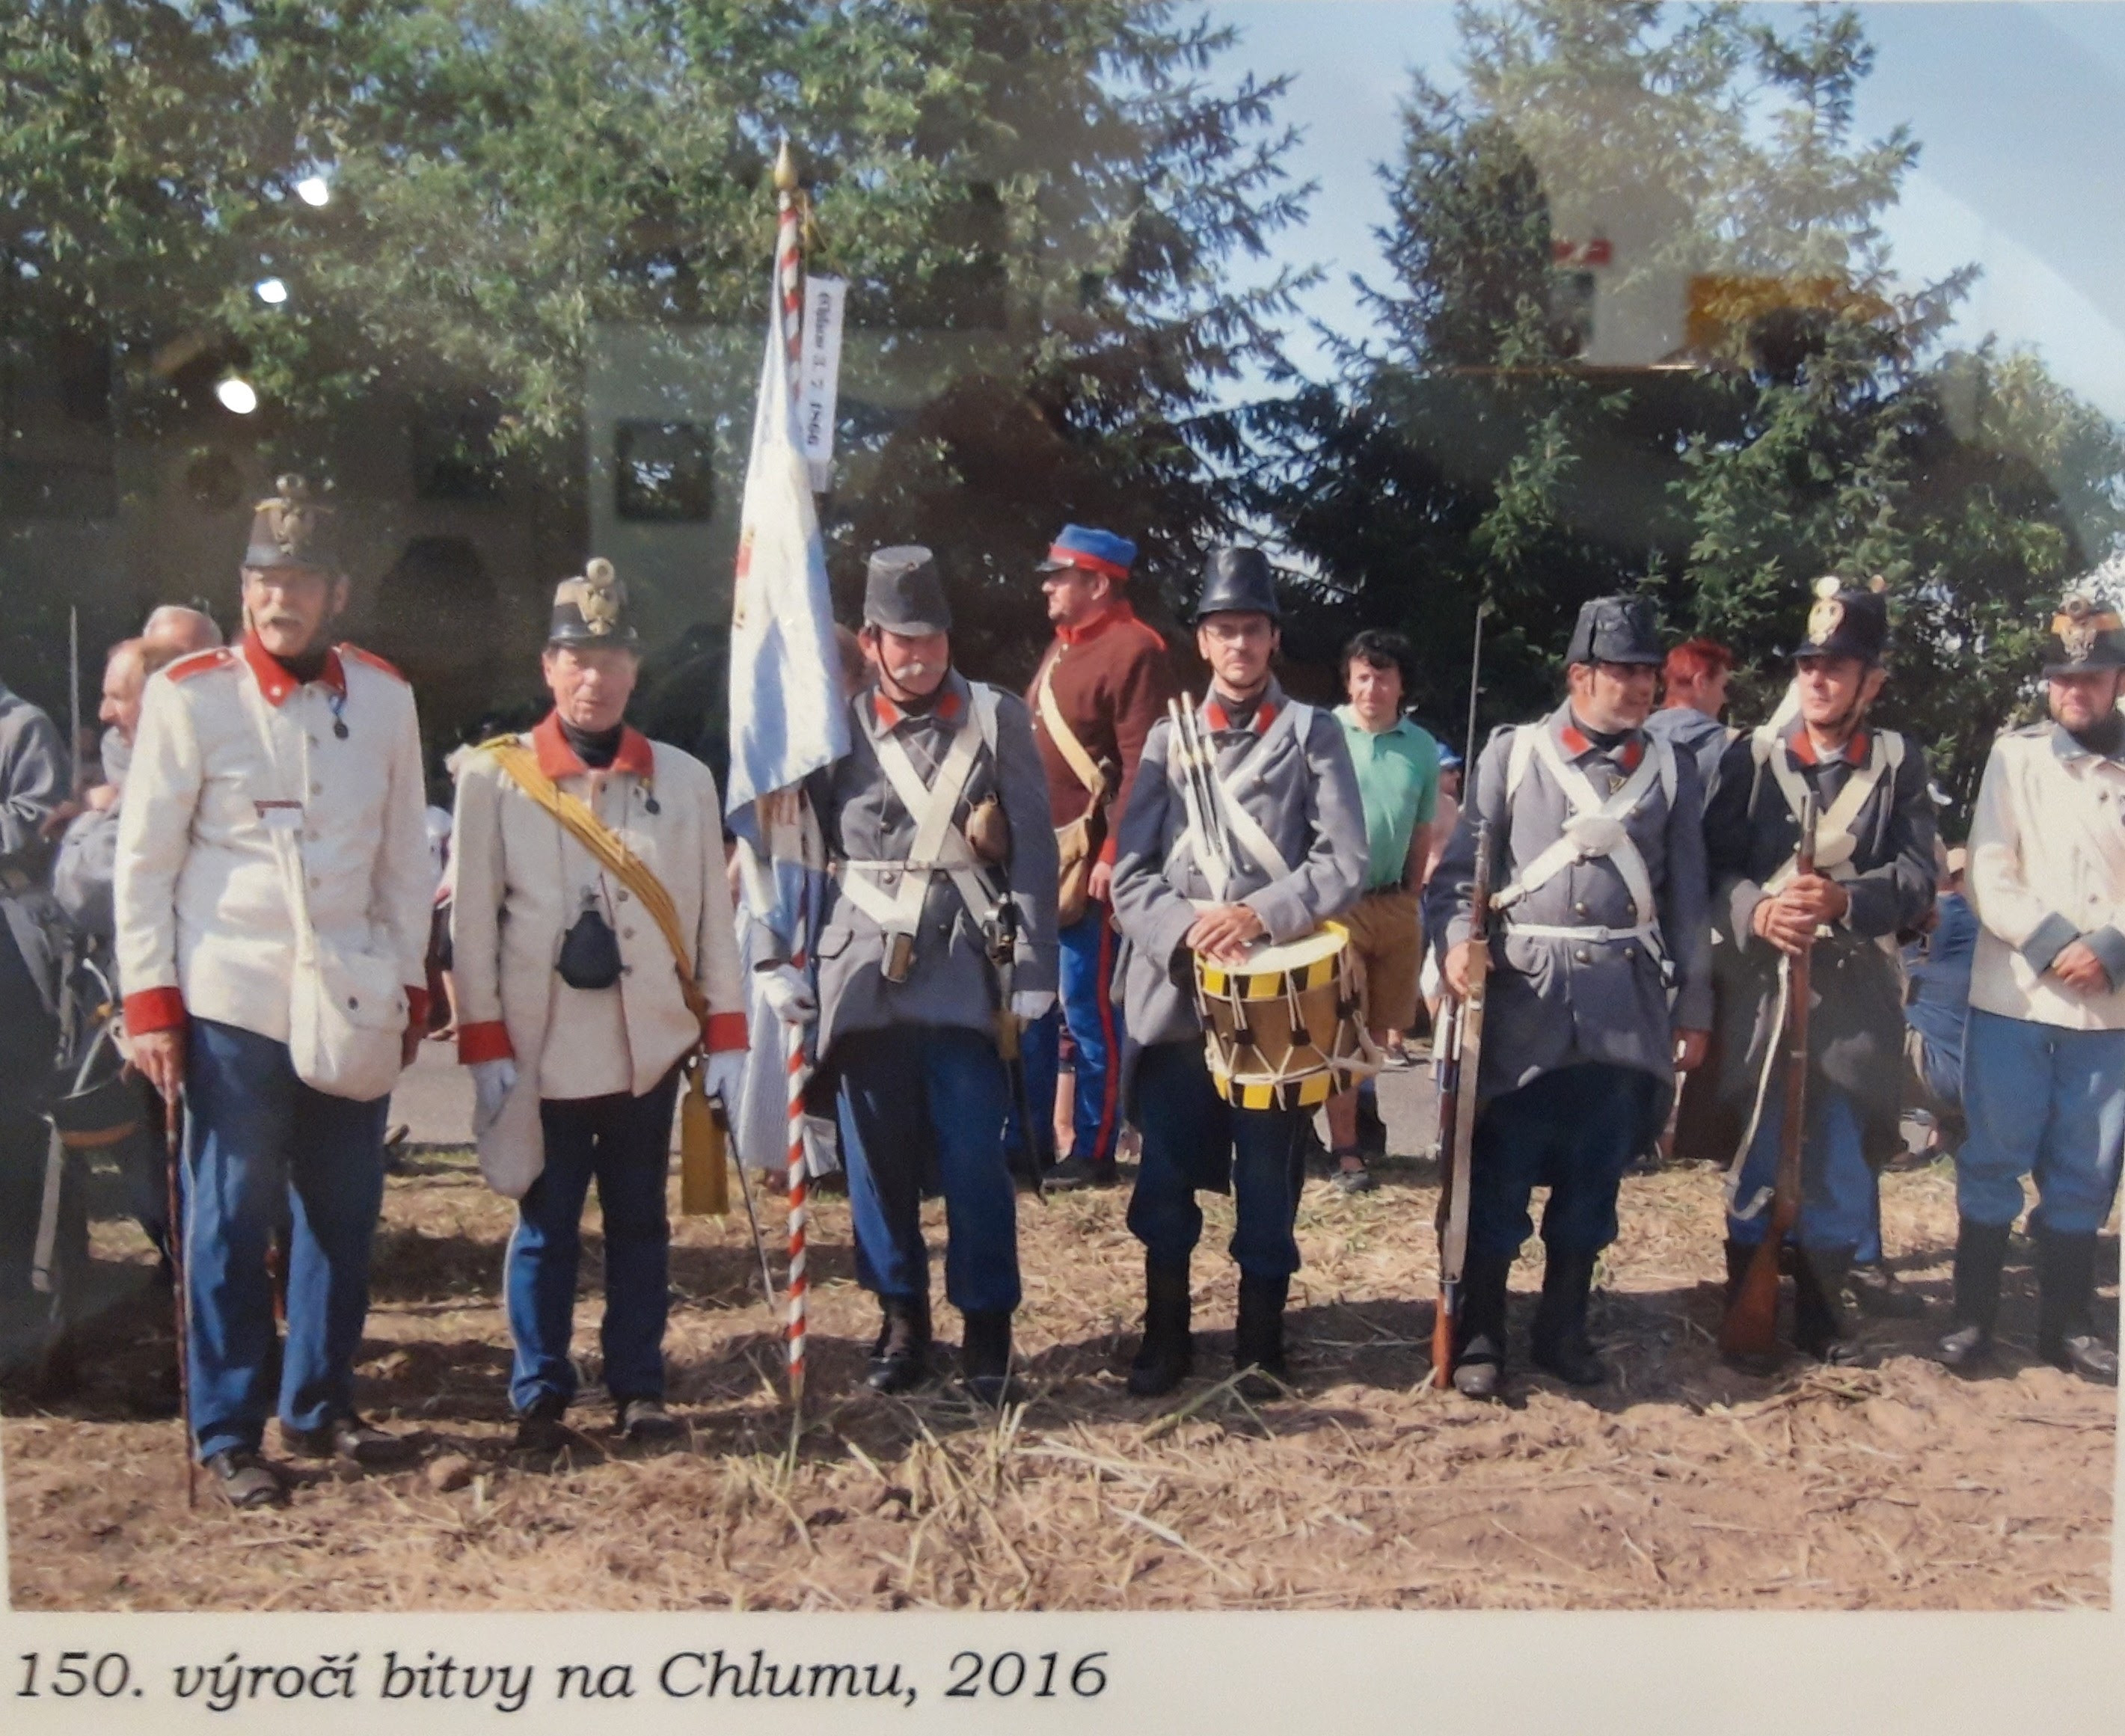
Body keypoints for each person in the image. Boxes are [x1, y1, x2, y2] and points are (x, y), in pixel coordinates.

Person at [114, 476, 434, 1508]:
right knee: (228, 1216)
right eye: (262, 578)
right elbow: (146, 863)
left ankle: (323, 1402)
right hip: (233, 995)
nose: (276, 597)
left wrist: (407, 978)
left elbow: (398, 857)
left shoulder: (384, 698)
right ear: (243, 588)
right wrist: (151, 1000)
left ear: (336, 592)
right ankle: (227, 1427)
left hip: (347, 995)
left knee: (343, 1212)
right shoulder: (191, 695)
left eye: (297, 579)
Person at [450, 559, 750, 1448]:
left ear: (634, 669)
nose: (595, 676)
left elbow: (711, 923)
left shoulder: (686, 781)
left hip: (644, 1045)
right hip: (541, 1047)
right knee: (544, 1225)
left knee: (639, 1225)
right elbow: (471, 926)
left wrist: (727, 1034)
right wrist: (484, 1041)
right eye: (577, 657)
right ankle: (539, 1387)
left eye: (612, 657)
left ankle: (638, 1384)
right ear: (549, 666)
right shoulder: (493, 780)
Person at [759, 546, 1058, 1403]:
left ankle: (988, 1326)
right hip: (861, 969)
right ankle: (901, 1318)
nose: (919, 656)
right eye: (901, 641)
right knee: (873, 1160)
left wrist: (1034, 965)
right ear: (874, 643)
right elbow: (793, 843)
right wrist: (778, 952)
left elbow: (1033, 846)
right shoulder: (833, 728)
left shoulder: (998, 718)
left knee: (974, 1160)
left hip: (965, 966)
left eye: (931, 639)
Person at [1426, 595, 1711, 1399]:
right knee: (1501, 1181)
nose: (1641, 685)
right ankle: (1482, 1328)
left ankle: (1564, 1327)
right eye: (1624, 670)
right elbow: (1457, 883)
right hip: (1526, 1004)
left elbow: (1687, 896)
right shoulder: (1513, 755)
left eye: (1650, 673)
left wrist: (1695, 1006)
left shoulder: (1670, 768)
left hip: (1623, 1005)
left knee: (1592, 1182)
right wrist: (1455, 946)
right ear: (1578, 674)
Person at [1109, 546, 1366, 1398]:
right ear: (1204, 641)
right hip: (1180, 992)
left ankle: (1261, 1340)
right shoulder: (1165, 738)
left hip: (1274, 995)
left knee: (1267, 1175)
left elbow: (1343, 860)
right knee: (1168, 1174)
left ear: (1273, 638)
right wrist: (1187, 930)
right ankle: (1166, 1333)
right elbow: (1132, 871)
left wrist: (1260, 915)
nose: (1239, 646)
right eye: (1223, 630)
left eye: (1252, 629)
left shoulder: (1314, 733)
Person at [1702, 577, 1936, 1367]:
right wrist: (1756, 912)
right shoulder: (1754, 759)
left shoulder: (1900, 763)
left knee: (1837, 1155)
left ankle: (1826, 1317)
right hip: (1765, 996)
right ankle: (1748, 1304)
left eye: (1838, 666)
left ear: (1874, 679)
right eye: (1809, 664)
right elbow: (1716, 867)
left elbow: (1916, 877)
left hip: (1853, 995)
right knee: (1761, 1153)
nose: (1818, 678)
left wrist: (1844, 897)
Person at [1940, 592, 2125, 1382]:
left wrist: (2113, 947)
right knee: (1993, 1157)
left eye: (2090, 678)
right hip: (2018, 995)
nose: (2073, 692)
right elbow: (1986, 867)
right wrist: (2054, 944)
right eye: (2060, 679)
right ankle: (1974, 1320)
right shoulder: (2014, 758)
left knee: (2086, 1169)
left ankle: (2069, 1326)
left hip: (2110, 1004)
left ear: (2118, 680)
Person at [1019, 524, 1177, 1189]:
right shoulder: (1061, 650)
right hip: (1037, 854)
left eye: (1059, 576)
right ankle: (1026, 1139)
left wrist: (1117, 852)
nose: (1048, 586)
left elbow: (1145, 764)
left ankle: (1095, 1145)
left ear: (1097, 584)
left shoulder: (1135, 649)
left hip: (1088, 859)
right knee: (1029, 1004)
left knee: (1087, 1009)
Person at [1324, 630, 1438, 1191]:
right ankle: (1345, 1153)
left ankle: (1361, 1123)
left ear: (1401, 684)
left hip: (1392, 903)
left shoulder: (1420, 747)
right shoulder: (1322, 734)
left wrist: (1411, 893)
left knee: (1376, 1031)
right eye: (1362, 675)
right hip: (1336, 906)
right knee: (1340, 1030)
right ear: (1348, 681)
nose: (1372, 686)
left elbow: (1421, 829)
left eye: (1383, 675)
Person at [0, 672, 67, 1314]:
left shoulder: (23, 726)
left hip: (10, 955)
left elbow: (35, 824)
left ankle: (23, 1298)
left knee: (12, 1123)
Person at [1646, 637, 1736, 793]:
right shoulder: (1728, 749)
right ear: (1701, 682)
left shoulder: (1636, 738)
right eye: (1723, 687)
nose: (1724, 699)